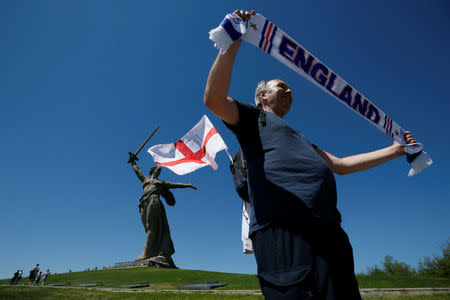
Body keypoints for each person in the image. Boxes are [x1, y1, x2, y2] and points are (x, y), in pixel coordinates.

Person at [204, 9, 418, 299]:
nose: (290, 90)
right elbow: (214, 100)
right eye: (282, 86)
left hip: (329, 231)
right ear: (263, 95)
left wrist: (395, 151)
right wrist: (235, 40)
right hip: (284, 230)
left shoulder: (301, 138)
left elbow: (340, 165)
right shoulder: (253, 119)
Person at [128, 155, 197, 267]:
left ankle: (146, 253)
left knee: (151, 227)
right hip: (142, 204)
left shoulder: (161, 183)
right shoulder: (145, 179)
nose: (159, 172)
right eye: (158, 170)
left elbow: (175, 185)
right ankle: (153, 250)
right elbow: (137, 171)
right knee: (148, 229)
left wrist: (188, 185)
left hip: (154, 201)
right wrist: (132, 162)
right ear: (153, 171)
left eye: (160, 170)